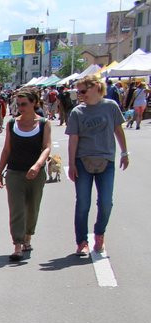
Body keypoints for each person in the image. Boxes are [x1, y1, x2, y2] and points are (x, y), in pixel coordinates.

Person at [67, 74, 129, 257]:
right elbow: (73, 139)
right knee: (83, 203)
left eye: (83, 91)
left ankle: (99, 233)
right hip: (83, 160)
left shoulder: (110, 106)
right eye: (78, 92)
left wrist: (125, 152)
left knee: (106, 203)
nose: (81, 95)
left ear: (96, 87)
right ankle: (82, 242)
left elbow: (118, 129)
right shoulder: (78, 112)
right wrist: (71, 164)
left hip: (106, 160)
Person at [0, 87, 52, 261]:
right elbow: (6, 149)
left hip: (36, 173)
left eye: (24, 104)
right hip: (14, 172)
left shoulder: (43, 123)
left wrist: (37, 165)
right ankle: (18, 245)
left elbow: (47, 148)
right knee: (16, 208)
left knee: (32, 207)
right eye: (18, 104)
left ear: (34, 103)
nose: (21, 108)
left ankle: (28, 236)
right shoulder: (12, 124)